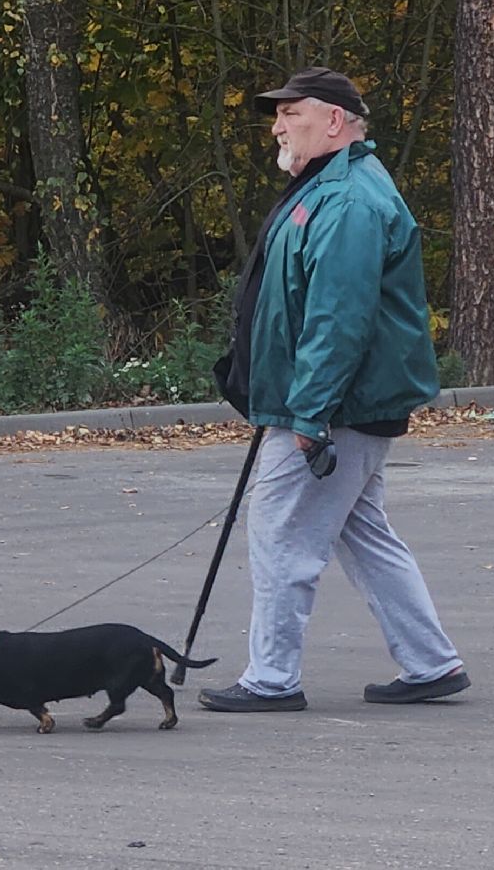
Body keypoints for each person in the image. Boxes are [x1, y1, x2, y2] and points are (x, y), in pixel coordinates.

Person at [199, 66, 468, 711]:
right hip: (341, 405)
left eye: (291, 114)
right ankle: (431, 663)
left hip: (333, 409)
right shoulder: (325, 188)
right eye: (279, 114)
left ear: (334, 121)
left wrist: (307, 415)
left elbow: (338, 320)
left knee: (279, 532)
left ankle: (271, 681)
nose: (278, 126)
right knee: (363, 532)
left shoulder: (346, 201)